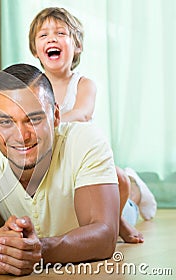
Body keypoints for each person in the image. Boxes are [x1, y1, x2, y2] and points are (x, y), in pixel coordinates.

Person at [0, 63, 121, 276]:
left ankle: (127, 194)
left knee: (127, 207)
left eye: (34, 119)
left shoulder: (86, 140)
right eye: (6, 121)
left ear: (55, 116)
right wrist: (0, 252)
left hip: (109, 203)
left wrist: (40, 250)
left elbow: (106, 236)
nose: (21, 135)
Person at [28, 7, 157, 242]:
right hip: (53, 162)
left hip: (82, 157)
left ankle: (120, 217)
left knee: (120, 180)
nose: (52, 38)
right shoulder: (33, 87)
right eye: (43, 35)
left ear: (77, 46)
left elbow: (82, 114)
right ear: (35, 49)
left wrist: (47, 123)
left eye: (60, 33)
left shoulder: (84, 84)